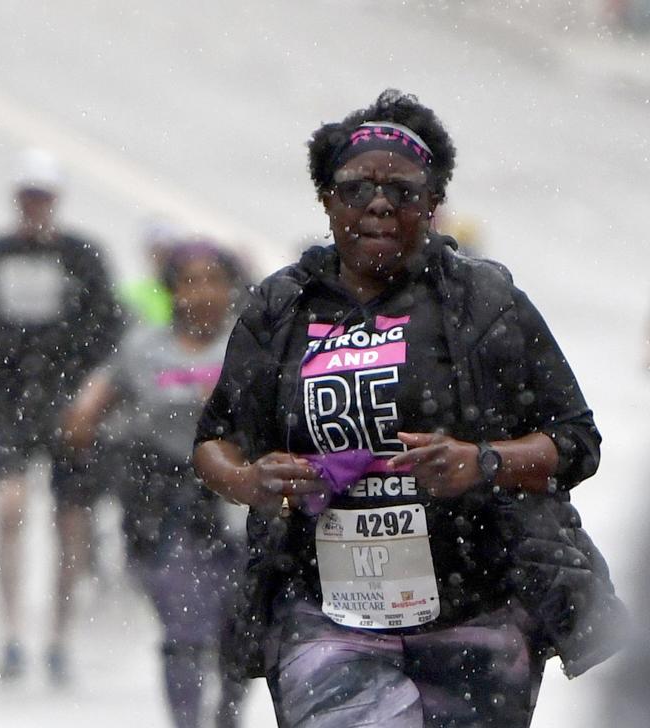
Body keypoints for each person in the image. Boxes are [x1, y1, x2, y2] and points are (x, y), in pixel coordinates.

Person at [192, 89, 621, 727]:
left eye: (404, 191)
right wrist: (250, 480)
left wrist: (482, 462)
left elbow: (574, 441)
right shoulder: (280, 309)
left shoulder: (486, 303)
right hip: (326, 615)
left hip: (476, 609)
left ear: (433, 203)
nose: (380, 205)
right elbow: (214, 441)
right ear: (326, 200)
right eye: (356, 189)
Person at [0, 149, 123, 683]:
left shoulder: (84, 257)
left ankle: (59, 633)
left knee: (70, 522)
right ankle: (10, 630)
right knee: (9, 509)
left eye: (43, 197)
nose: (35, 206)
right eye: (28, 196)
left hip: (69, 405)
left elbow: (108, 337)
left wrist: (95, 401)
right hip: (11, 405)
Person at [65, 241, 248, 727]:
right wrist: (83, 415)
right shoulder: (144, 346)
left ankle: (228, 712)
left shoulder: (251, 343)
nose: (203, 293)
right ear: (171, 291)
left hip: (238, 495)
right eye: (190, 281)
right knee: (183, 624)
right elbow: (103, 388)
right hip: (164, 494)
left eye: (214, 280)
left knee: (237, 624)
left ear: (232, 289)